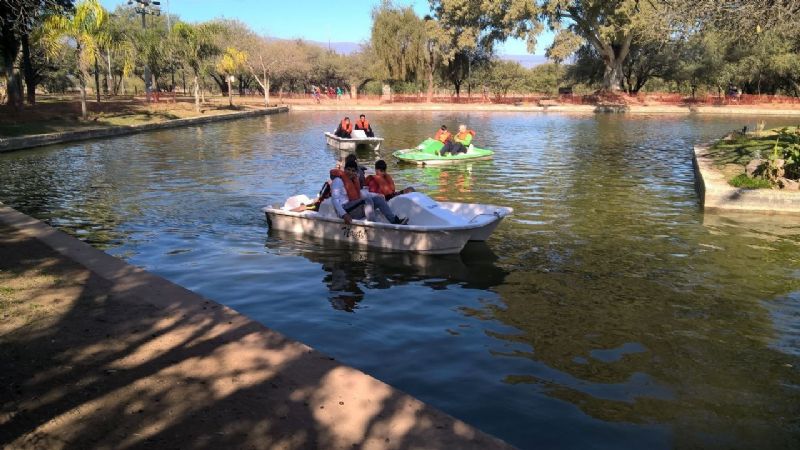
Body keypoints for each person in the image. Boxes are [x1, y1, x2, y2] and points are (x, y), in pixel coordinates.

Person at [331, 159, 408, 225]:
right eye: (348, 169)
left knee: (379, 199)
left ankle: (394, 221)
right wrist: (344, 215)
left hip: (353, 209)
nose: (350, 172)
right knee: (367, 200)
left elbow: (361, 194)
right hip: (345, 210)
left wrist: (377, 195)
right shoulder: (338, 181)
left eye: (353, 170)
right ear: (344, 169)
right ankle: (373, 225)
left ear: (355, 172)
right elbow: (334, 200)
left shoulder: (353, 181)